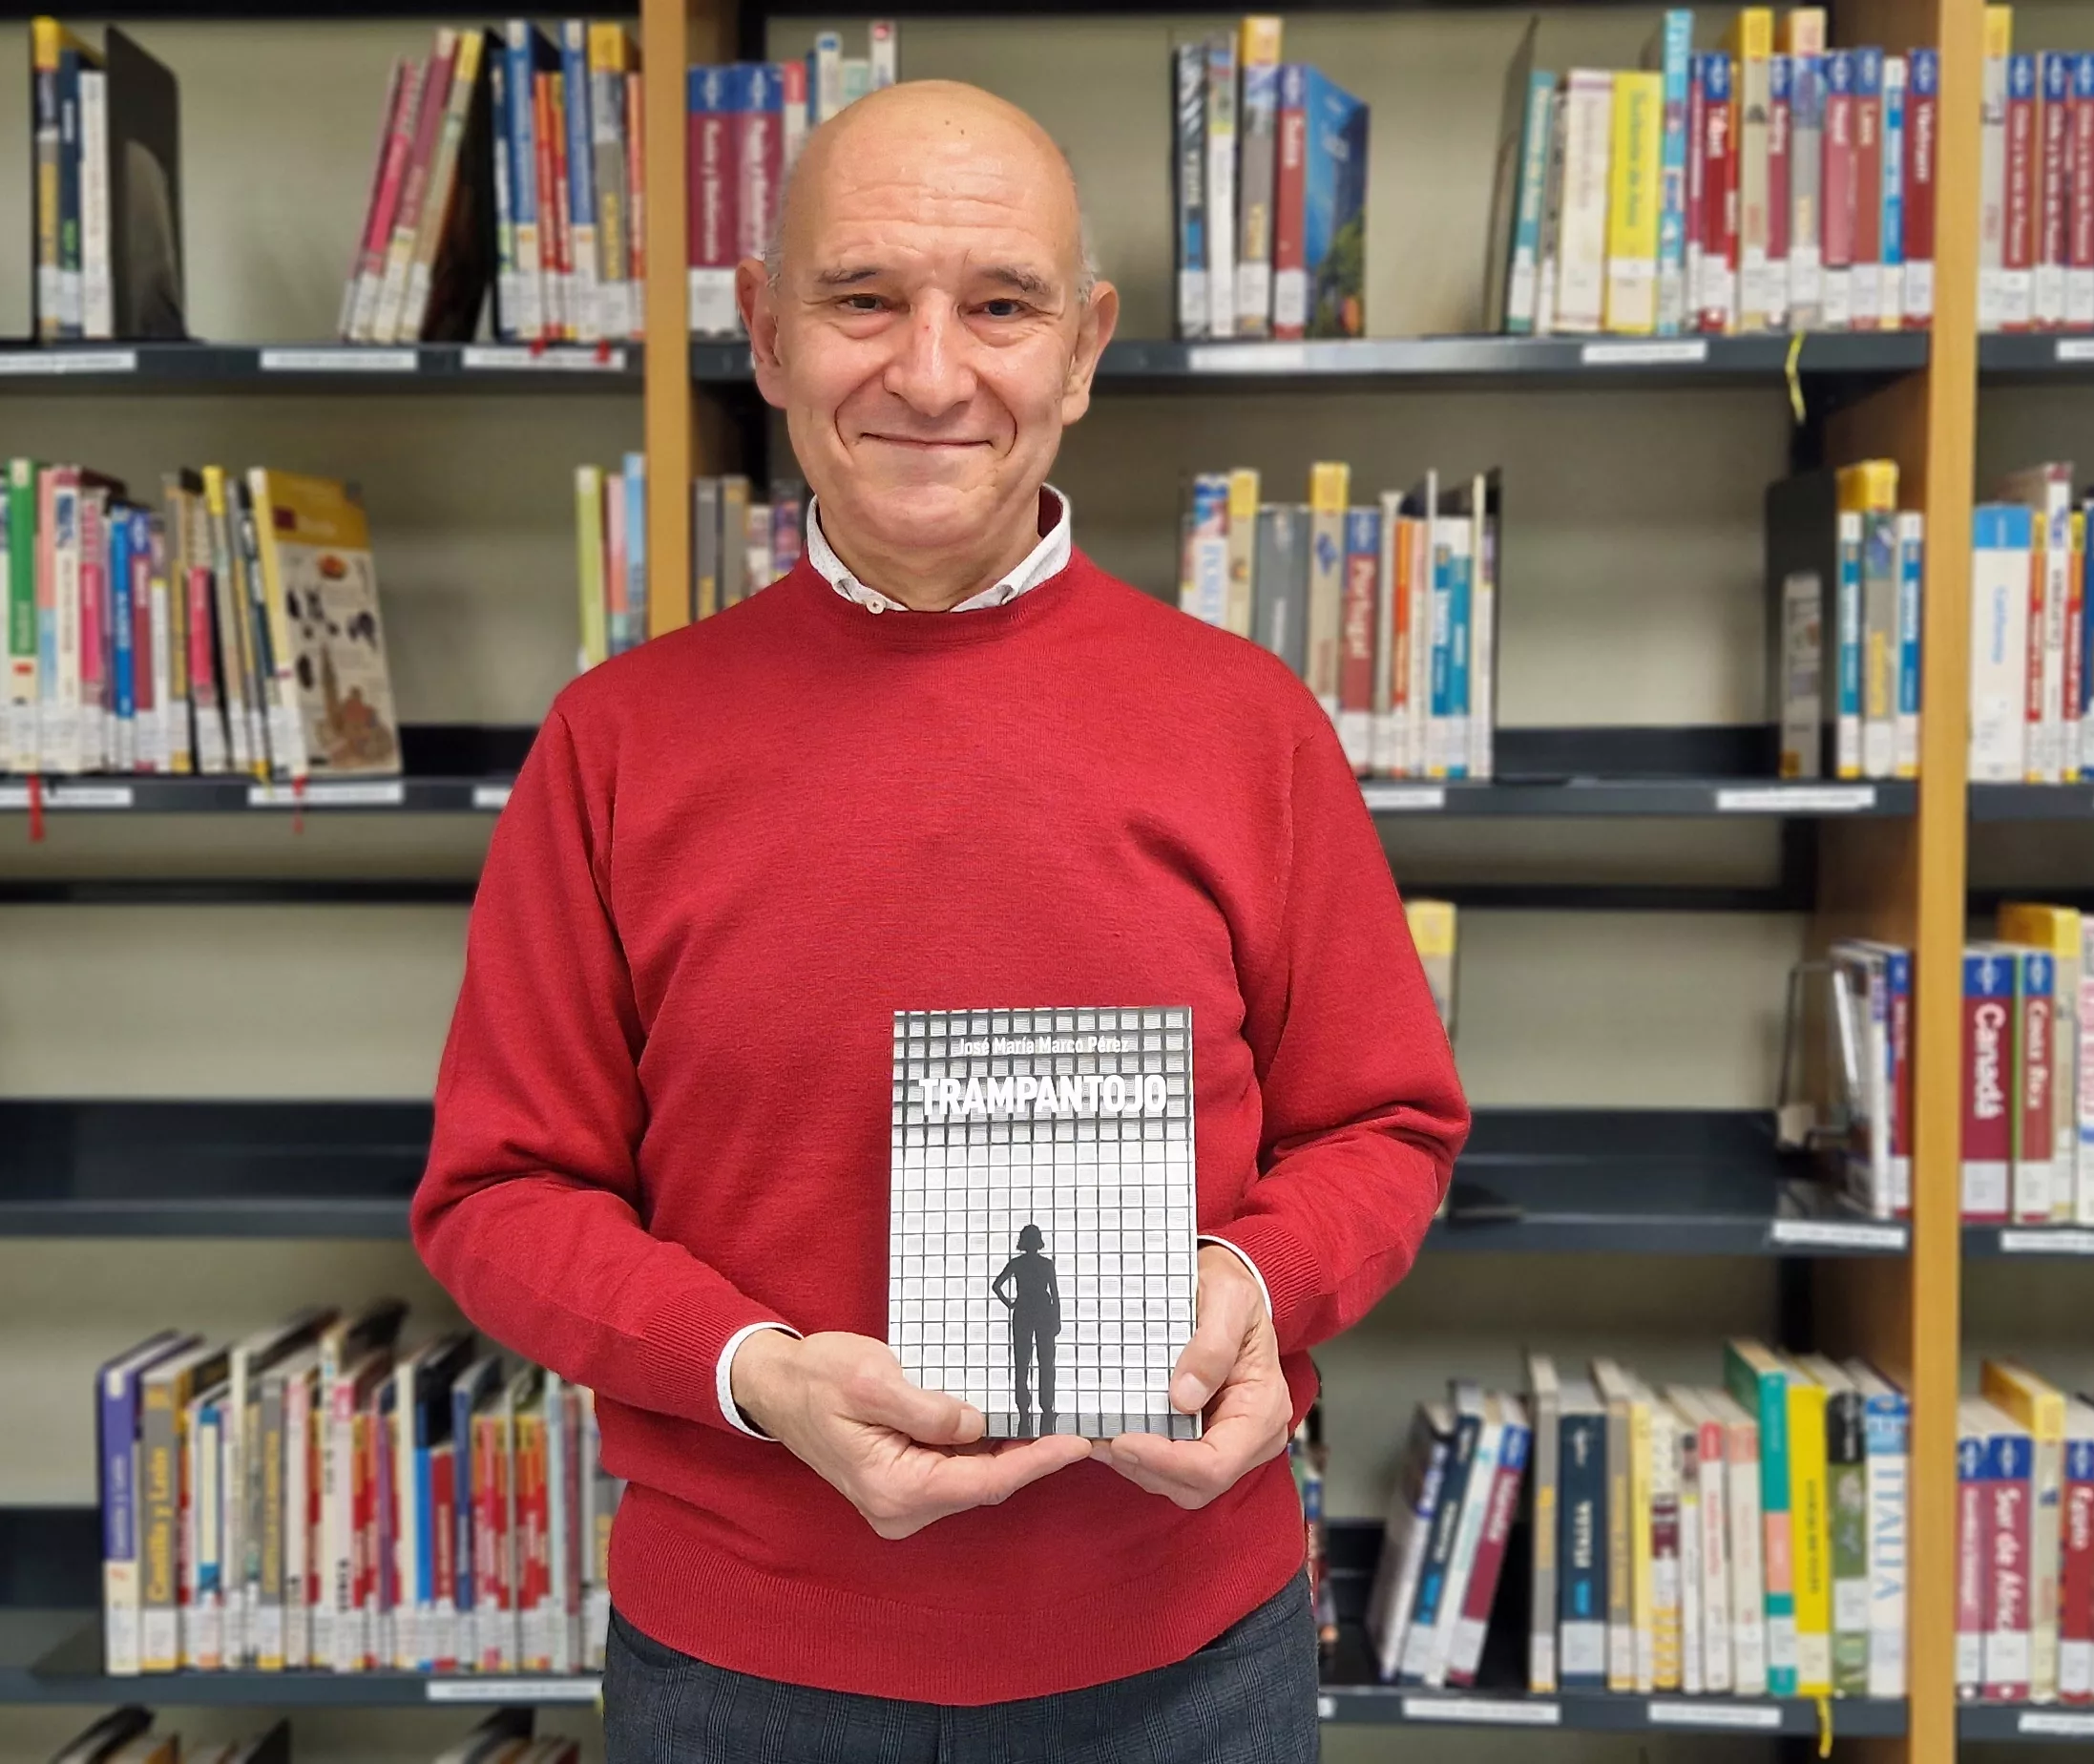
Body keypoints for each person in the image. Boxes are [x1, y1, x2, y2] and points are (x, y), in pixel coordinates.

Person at [412, 78, 1467, 1761]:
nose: (927, 370)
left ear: (1084, 345)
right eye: (860, 299)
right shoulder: (616, 742)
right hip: (741, 1668)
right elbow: (499, 1194)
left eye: (999, 305)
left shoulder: (1250, 723)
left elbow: (1390, 1122)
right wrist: (759, 1369)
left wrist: (1253, 1282)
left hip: (1190, 1655)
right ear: (763, 334)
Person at [990, 1222, 1060, 1436]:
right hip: (1043, 1310)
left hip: (1022, 1311)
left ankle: (1023, 1407)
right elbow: (1055, 1295)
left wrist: (1010, 1302)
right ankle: (1046, 1405)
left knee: (1022, 1362)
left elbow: (996, 1285)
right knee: (1046, 1362)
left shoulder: (1017, 1263)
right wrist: (1057, 1319)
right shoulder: (1046, 1264)